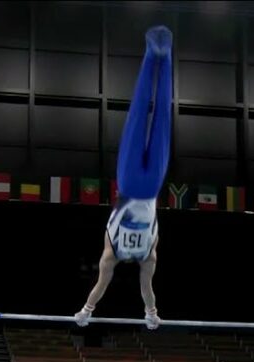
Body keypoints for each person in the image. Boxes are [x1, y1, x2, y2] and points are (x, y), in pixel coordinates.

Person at [75, 26, 173, 330]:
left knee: (158, 118)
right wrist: (87, 310)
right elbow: (144, 291)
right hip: (133, 182)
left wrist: (151, 313)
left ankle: (158, 54)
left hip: (144, 185)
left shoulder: (139, 256)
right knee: (148, 115)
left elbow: (144, 290)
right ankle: (161, 54)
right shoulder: (117, 253)